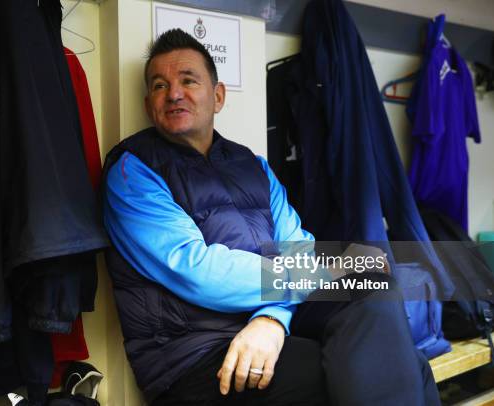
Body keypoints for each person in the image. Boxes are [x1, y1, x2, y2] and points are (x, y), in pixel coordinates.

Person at [102, 29, 440, 405]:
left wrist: (272, 320)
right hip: (192, 355)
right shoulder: (132, 171)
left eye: (187, 81)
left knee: (375, 290)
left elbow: (299, 251)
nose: (174, 93)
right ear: (149, 105)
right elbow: (198, 272)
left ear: (217, 96)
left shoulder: (253, 167)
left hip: (263, 328)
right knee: (390, 371)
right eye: (159, 85)